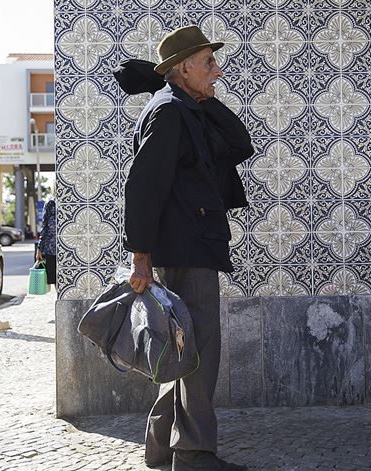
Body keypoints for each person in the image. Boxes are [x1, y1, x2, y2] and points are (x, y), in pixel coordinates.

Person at [122, 25, 253, 471]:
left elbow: (239, 143)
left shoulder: (185, 108)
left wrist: (202, 94)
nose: (218, 71)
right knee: (199, 354)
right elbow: (142, 186)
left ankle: (162, 448)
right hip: (186, 249)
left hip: (191, 244)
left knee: (181, 350)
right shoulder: (171, 113)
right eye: (208, 64)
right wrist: (140, 256)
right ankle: (195, 454)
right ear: (183, 68)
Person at [35, 191, 57, 288]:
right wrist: (40, 248)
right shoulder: (51, 204)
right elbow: (44, 227)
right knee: (53, 280)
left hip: (68, 250)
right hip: (52, 250)